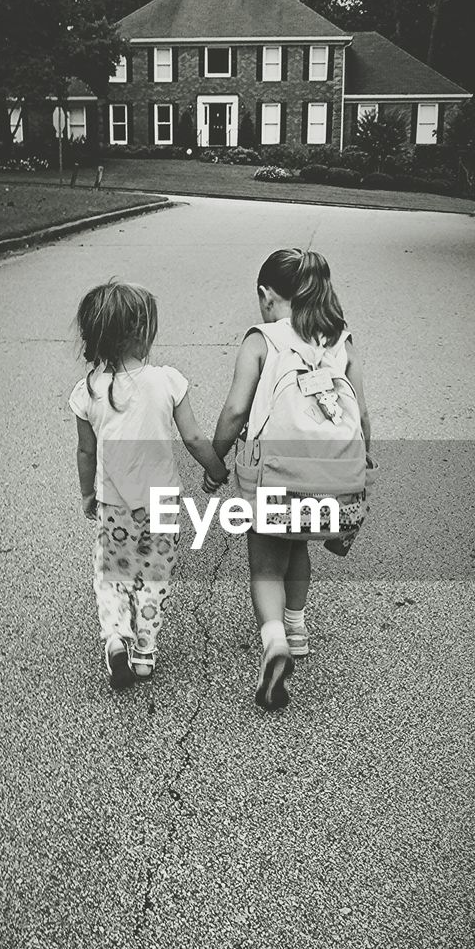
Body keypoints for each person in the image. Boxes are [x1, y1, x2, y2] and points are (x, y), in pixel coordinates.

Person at [205, 249, 372, 711]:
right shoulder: (342, 340)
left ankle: (274, 639)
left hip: (275, 476)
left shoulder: (262, 338)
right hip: (331, 476)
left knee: (264, 562)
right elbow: (361, 413)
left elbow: (236, 410)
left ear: (266, 295)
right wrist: (363, 463)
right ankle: (296, 629)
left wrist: (214, 460)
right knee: (298, 544)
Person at [70, 280, 227, 688]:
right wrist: (216, 469)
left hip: (113, 505)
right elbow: (193, 438)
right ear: (141, 333)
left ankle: (116, 638)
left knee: (112, 575)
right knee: (153, 578)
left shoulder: (88, 391)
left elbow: (86, 452)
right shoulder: (168, 381)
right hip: (161, 506)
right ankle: (144, 654)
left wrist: (88, 492)